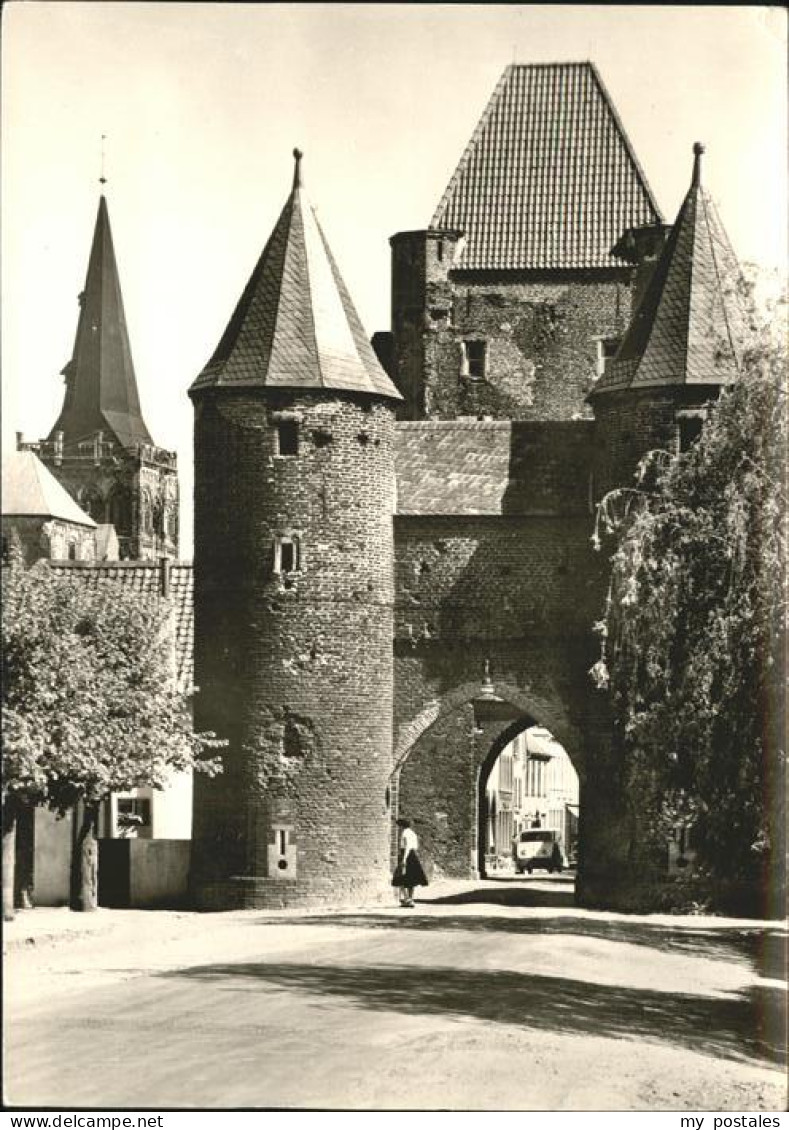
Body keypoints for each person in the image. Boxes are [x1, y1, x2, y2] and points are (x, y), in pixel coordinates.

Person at [392, 817, 428, 907]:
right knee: (411, 879)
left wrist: (404, 858)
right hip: (413, 855)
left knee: (400, 877)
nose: (399, 828)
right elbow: (415, 846)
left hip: (406, 855)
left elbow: (407, 846)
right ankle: (410, 898)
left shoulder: (405, 833)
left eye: (399, 826)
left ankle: (407, 899)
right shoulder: (413, 833)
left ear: (401, 826)